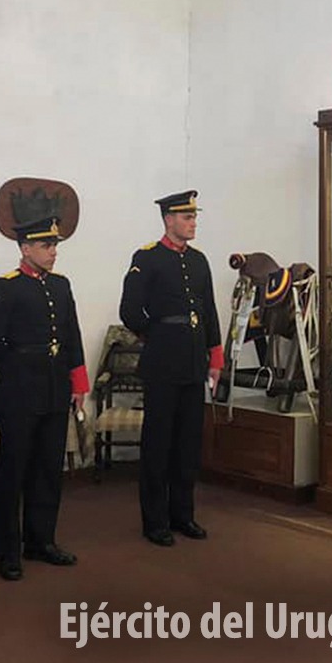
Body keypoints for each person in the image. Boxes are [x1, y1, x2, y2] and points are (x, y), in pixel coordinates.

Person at [0, 215, 88, 580]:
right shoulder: (6, 287)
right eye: (46, 245)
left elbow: (71, 335)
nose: (53, 252)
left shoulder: (61, 285)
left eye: (55, 245)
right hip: (20, 393)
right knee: (14, 472)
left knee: (47, 469)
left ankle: (41, 540)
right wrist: (19, 368)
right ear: (25, 248)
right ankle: (8, 549)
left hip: (56, 390)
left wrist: (78, 382)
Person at [119, 190, 222, 546]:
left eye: (195, 217)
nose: (193, 223)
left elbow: (209, 311)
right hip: (163, 363)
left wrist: (216, 356)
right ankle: (155, 520)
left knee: (188, 444)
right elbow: (130, 310)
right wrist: (157, 334)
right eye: (187, 217)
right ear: (169, 219)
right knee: (159, 444)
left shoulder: (199, 261)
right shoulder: (148, 258)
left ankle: (183, 514)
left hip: (194, 362)